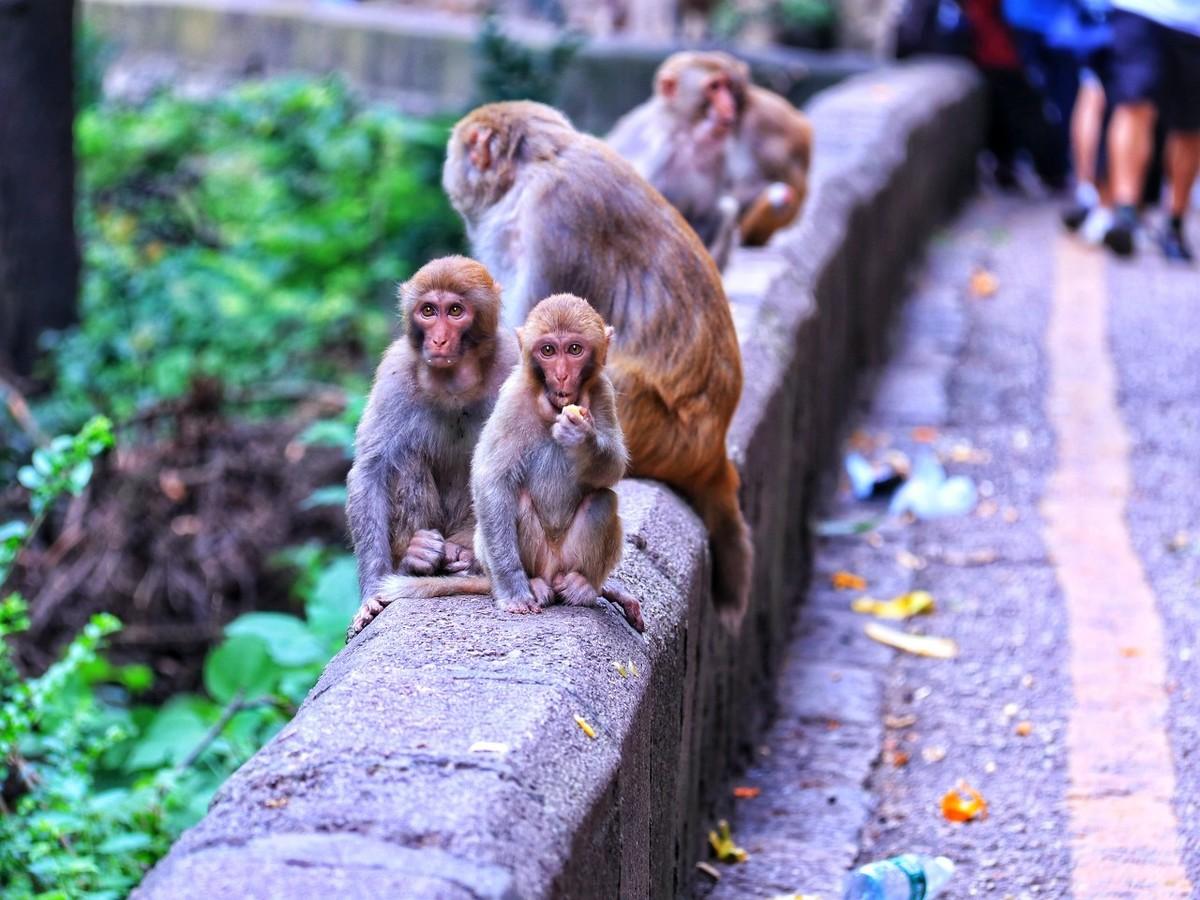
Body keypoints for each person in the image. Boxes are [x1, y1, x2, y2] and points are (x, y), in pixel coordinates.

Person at [1103, 0, 1200, 260]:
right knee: (1135, 102)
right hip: (1139, 8)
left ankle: (1174, 225)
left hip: (1192, 22)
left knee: (1190, 126)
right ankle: (1125, 214)